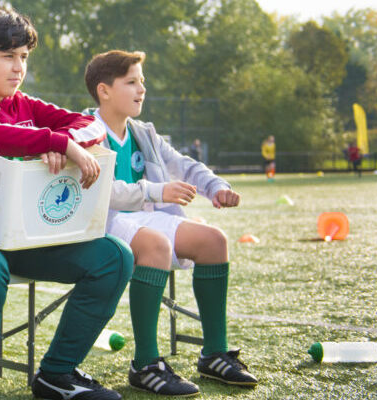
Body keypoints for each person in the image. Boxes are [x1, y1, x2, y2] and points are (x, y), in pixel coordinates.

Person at [0, 7, 133, 400]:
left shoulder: (27, 105)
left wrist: (67, 141)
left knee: (114, 257)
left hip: (22, 231)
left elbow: (92, 124)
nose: (19, 67)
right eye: (8, 56)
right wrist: (54, 142)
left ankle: (57, 374)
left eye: (24, 57)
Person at [83, 50, 257, 396]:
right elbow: (103, 192)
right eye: (131, 81)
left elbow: (185, 164)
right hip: (100, 225)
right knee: (155, 244)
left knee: (214, 241)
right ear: (104, 91)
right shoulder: (84, 130)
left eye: (142, 81)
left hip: (144, 221)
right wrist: (159, 190)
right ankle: (146, 363)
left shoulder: (143, 132)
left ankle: (214, 354)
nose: (141, 89)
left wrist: (216, 187)